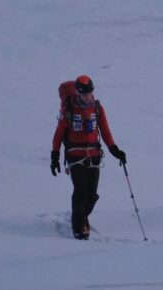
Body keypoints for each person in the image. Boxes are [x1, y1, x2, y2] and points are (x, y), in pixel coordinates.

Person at [51, 75, 126, 240]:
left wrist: (115, 150)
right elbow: (58, 135)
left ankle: (81, 216)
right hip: (74, 156)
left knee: (91, 195)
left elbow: (105, 132)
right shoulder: (69, 110)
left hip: (94, 155)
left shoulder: (98, 109)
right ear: (78, 92)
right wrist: (55, 156)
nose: (88, 96)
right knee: (80, 189)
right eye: (85, 94)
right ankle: (79, 228)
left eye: (90, 92)